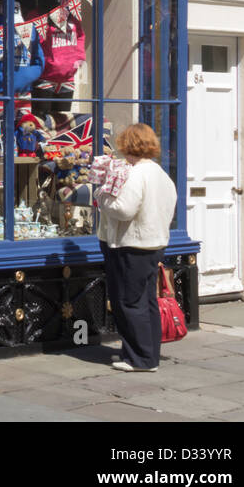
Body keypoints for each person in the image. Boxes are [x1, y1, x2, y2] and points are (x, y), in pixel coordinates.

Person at [96, 123, 178, 372]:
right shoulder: (160, 173)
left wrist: (101, 196)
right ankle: (146, 355)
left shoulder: (136, 174)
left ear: (128, 145)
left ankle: (139, 358)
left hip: (131, 246)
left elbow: (124, 209)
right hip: (153, 244)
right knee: (146, 301)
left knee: (128, 302)